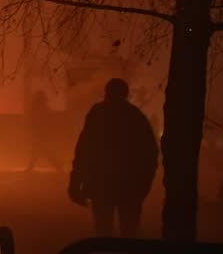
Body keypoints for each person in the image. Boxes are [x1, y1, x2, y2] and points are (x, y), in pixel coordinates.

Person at [68, 78, 159, 237]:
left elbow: (84, 149)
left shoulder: (98, 114)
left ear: (107, 93)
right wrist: (144, 183)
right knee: (129, 231)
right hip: (130, 183)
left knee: (103, 230)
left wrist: (75, 181)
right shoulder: (135, 116)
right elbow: (150, 152)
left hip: (102, 183)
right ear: (126, 94)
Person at [25, 90, 62, 172]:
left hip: (40, 132)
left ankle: (58, 166)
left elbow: (36, 120)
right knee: (40, 150)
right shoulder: (42, 108)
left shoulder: (38, 108)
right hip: (41, 132)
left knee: (42, 150)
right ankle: (58, 166)